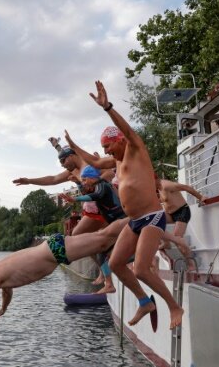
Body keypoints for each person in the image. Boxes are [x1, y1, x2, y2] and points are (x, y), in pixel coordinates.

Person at [65, 81, 185, 330]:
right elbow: (94, 164)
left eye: (107, 145)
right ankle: (144, 301)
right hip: (134, 221)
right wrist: (73, 147)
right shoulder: (116, 162)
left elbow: (127, 130)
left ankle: (174, 305)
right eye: (103, 148)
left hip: (152, 216)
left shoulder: (135, 148)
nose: (105, 151)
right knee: (117, 263)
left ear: (118, 140)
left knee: (141, 268)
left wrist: (107, 107)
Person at [0, 218, 129, 319]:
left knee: (103, 239)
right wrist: (3, 308)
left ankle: (140, 217)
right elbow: (6, 292)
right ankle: (137, 225)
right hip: (54, 250)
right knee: (103, 241)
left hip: (55, 251)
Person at [60, 165, 126, 293]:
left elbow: (96, 195)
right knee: (101, 251)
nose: (83, 182)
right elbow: (88, 192)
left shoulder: (103, 185)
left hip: (121, 220)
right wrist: (78, 183)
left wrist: (75, 198)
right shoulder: (97, 186)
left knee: (102, 248)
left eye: (85, 179)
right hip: (117, 221)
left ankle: (109, 282)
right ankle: (109, 283)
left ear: (92, 178)